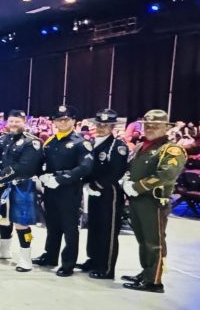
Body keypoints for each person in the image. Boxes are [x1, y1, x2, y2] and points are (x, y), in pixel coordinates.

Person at [121, 109, 186, 293]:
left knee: (154, 242)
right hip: (137, 200)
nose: (150, 128)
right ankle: (147, 273)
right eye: (147, 125)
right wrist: (126, 179)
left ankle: (154, 282)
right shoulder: (142, 146)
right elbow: (132, 166)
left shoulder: (171, 149)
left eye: (155, 125)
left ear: (166, 127)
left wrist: (138, 186)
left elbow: (166, 174)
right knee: (143, 239)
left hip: (154, 202)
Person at [34, 105, 94, 277]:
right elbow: (43, 163)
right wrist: (42, 175)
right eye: (58, 120)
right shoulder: (50, 142)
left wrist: (59, 178)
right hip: (50, 190)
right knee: (52, 225)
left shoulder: (81, 143)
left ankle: (68, 263)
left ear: (74, 121)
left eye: (66, 119)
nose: (62, 123)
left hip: (69, 191)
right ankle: (50, 256)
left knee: (69, 228)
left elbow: (85, 167)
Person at [0, 110, 43, 272]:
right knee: (3, 218)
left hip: (22, 186)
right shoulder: (2, 139)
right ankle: (4, 250)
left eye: (17, 121)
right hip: (1, 186)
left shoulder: (32, 142)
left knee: (21, 222)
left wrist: (0, 177)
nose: (14, 124)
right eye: (11, 121)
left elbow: (25, 166)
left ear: (24, 122)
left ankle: (26, 258)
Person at [78, 109, 129, 279]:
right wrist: (85, 182)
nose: (101, 128)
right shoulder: (92, 142)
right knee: (94, 226)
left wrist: (97, 185)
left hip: (109, 191)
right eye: (99, 124)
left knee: (107, 229)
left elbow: (117, 171)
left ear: (113, 127)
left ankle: (106, 268)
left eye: (106, 125)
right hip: (92, 190)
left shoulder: (117, 146)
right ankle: (93, 259)